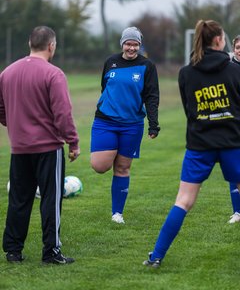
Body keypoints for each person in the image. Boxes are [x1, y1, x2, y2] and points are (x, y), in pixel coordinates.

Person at [143, 19, 240, 268]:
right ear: (218, 40)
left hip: (199, 146)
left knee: (183, 201)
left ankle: (156, 256)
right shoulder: (235, 71)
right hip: (233, 144)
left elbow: (190, 111)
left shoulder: (186, 73)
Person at [0, 26, 80, 264]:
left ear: (29, 43)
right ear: (51, 45)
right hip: (48, 148)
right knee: (50, 200)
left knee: (19, 199)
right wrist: (73, 142)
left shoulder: (7, 73)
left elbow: (0, 109)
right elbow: (62, 113)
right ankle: (51, 252)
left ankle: (13, 250)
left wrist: (16, 124)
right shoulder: (53, 74)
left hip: (20, 148)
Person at [90, 27, 160, 224]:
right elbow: (105, 87)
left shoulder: (147, 66)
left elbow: (152, 96)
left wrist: (153, 124)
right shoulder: (110, 62)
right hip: (105, 121)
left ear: (139, 45)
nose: (131, 48)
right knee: (99, 165)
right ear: (122, 44)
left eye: (135, 44)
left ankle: (117, 213)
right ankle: (111, 153)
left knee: (122, 168)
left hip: (132, 125)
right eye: (128, 43)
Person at [227, 35, 240, 223]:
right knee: (234, 169)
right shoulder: (227, 69)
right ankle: (237, 212)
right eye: (238, 47)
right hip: (233, 125)